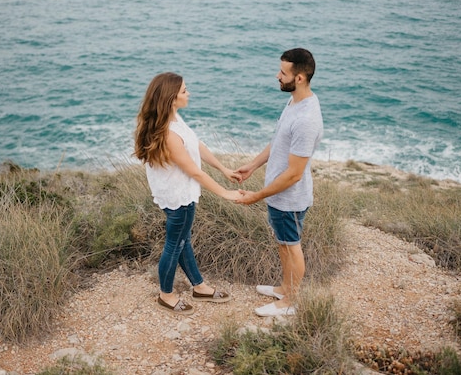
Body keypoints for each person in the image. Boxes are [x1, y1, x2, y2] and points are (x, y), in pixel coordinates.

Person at [134, 72, 241, 315]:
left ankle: (199, 286)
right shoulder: (169, 134)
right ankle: (166, 294)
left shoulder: (174, 120)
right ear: (171, 98)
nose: (188, 93)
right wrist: (225, 193)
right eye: (184, 90)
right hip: (178, 197)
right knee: (175, 244)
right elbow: (195, 172)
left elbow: (196, 145)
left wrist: (223, 169)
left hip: (180, 194)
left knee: (183, 241)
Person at [236, 48, 323, 317]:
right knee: (283, 242)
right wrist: (253, 165)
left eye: (283, 73)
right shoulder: (294, 103)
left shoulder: (307, 118)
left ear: (299, 78)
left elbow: (295, 173)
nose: (277, 76)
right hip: (278, 196)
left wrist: (257, 195)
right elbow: (278, 142)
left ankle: (290, 302)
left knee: (292, 245)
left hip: (290, 197)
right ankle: (285, 288)